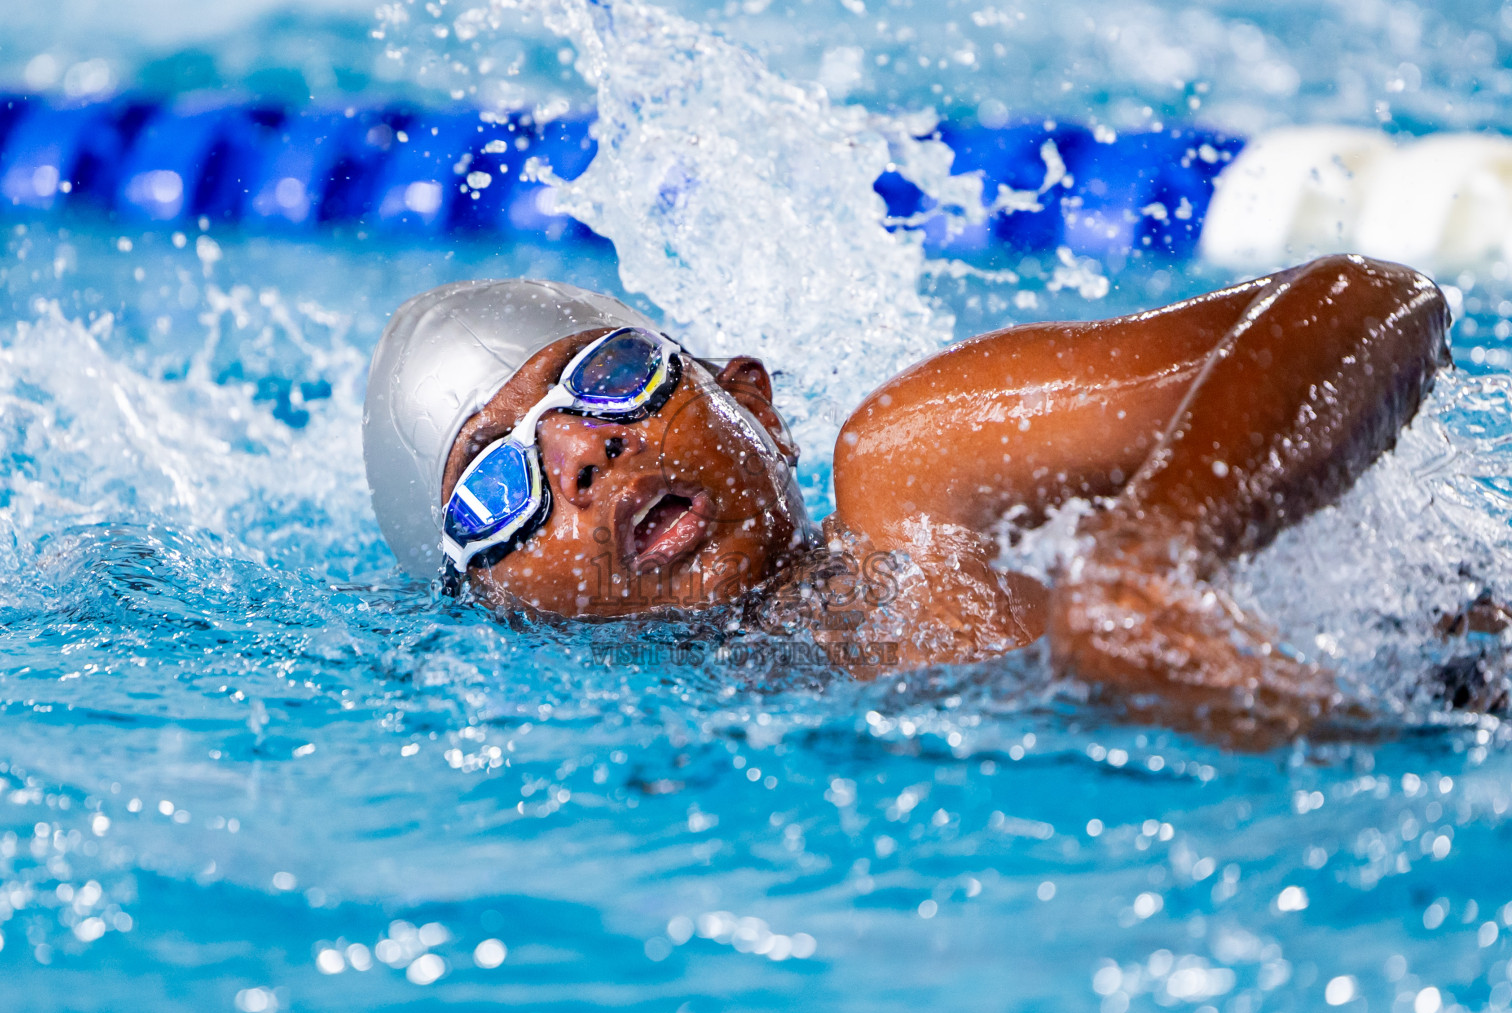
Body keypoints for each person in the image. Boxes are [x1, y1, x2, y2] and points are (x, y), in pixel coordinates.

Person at [363, 255, 1459, 742]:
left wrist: (1157, 552)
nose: (583, 455)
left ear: (753, 403)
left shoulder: (920, 478)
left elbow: (1374, 302)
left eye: (608, 378)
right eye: (501, 482)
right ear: (503, 608)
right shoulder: (647, 783)